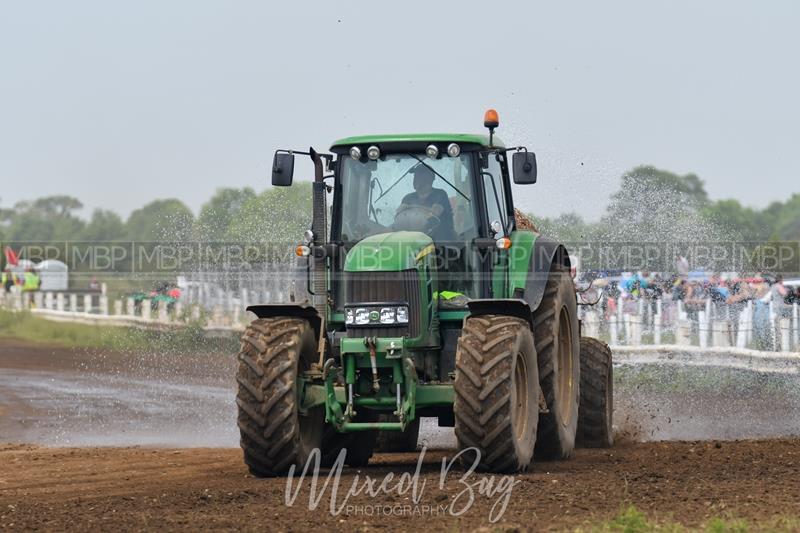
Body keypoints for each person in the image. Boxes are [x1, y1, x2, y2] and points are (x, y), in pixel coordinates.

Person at [398, 165, 454, 241]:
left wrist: (410, 208)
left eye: (419, 175)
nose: (415, 179)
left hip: (438, 242)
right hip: (413, 241)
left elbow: (436, 212)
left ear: (429, 178)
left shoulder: (440, 194)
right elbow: (399, 216)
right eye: (415, 176)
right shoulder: (408, 198)